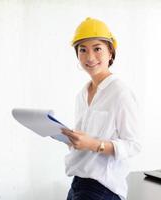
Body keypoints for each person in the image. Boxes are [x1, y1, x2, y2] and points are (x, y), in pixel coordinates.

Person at [61, 17, 141, 200]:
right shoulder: (81, 94)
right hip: (78, 183)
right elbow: (86, 140)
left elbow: (134, 145)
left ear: (110, 52)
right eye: (83, 50)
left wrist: (93, 144)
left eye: (97, 48)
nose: (90, 57)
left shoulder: (120, 92)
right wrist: (71, 139)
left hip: (103, 189)